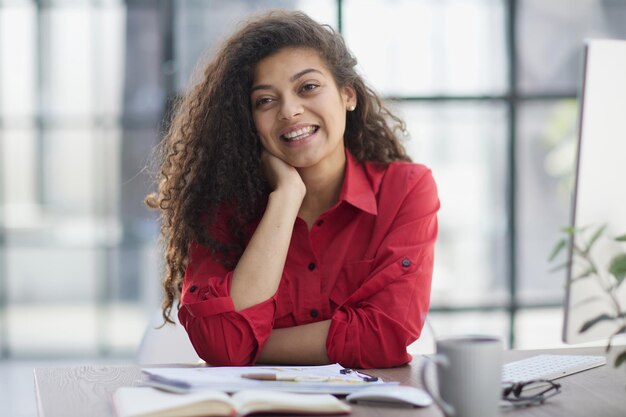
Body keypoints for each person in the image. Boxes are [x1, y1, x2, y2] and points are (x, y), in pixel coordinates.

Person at [146, 10, 439, 369]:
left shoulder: (406, 190)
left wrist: (250, 348)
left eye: (308, 87)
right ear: (248, 120)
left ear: (348, 95)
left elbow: (386, 334)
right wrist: (285, 197)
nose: (290, 111)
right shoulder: (222, 208)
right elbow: (219, 342)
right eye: (265, 100)